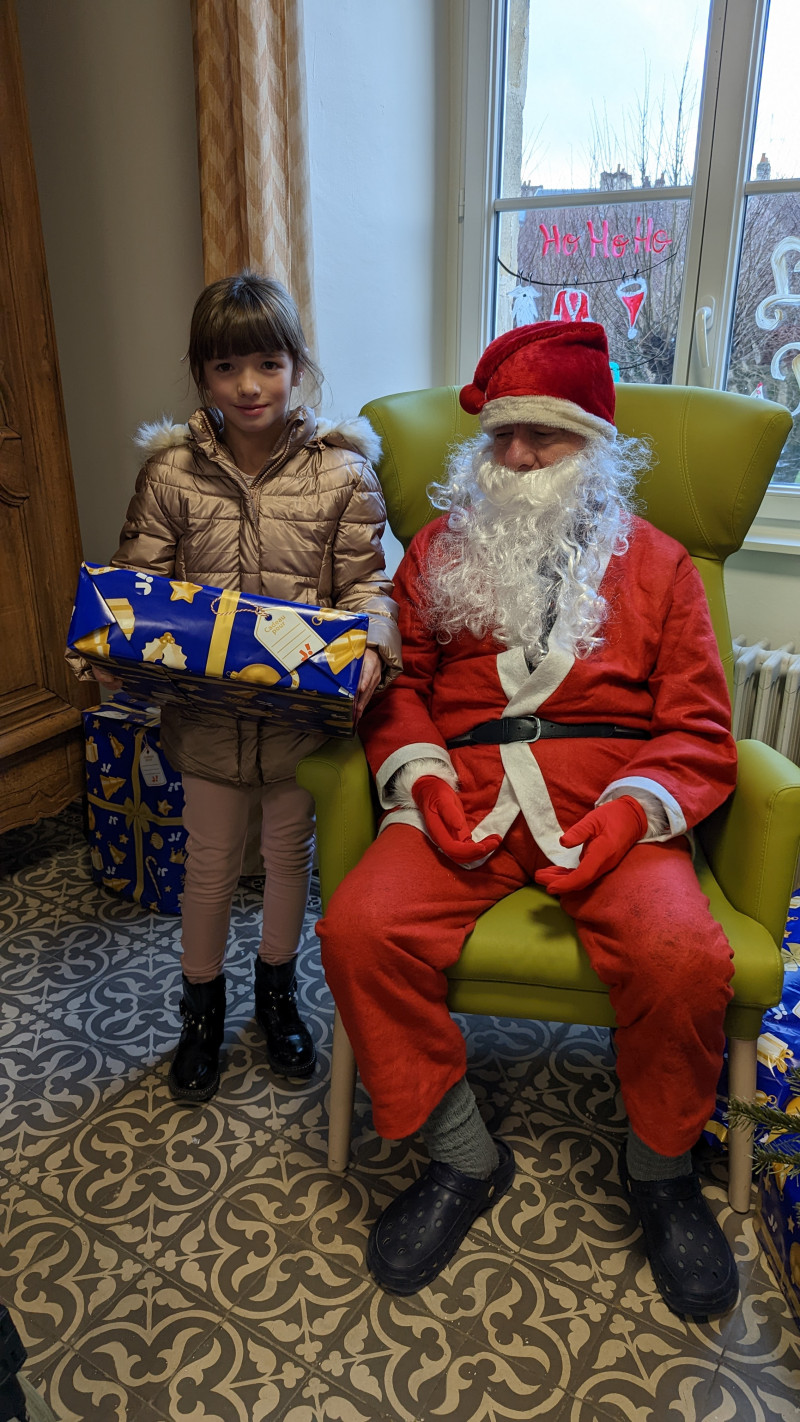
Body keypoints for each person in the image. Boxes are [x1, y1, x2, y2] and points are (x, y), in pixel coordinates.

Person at [317, 321, 740, 1320]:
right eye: (500, 436)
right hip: (458, 794)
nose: (512, 459)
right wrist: (417, 780)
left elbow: (696, 725)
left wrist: (632, 816)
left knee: (682, 958)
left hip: (609, 801)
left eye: (540, 438)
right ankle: (460, 1154)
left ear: (592, 447)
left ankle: (660, 1174)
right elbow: (403, 685)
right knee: (357, 930)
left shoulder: (662, 565)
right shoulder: (434, 549)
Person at [69, 270, 401, 1104]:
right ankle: (203, 1010)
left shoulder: (343, 475)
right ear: (201, 375)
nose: (249, 386)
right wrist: (108, 649)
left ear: (296, 364)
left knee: (290, 858)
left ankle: (278, 994)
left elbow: (368, 591)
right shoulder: (171, 475)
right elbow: (136, 590)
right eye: (226, 369)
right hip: (206, 723)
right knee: (210, 865)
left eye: (267, 363)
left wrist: (373, 650)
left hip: (300, 723)